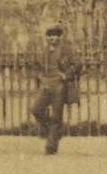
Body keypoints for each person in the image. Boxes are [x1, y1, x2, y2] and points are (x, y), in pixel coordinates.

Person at [30, 23, 80, 155]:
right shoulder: (44, 50)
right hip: (45, 84)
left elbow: (77, 64)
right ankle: (54, 132)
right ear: (47, 37)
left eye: (56, 36)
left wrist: (66, 75)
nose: (53, 39)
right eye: (51, 36)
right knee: (36, 110)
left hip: (59, 85)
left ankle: (50, 147)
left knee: (56, 116)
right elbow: (37, 65)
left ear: (60, 37)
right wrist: (39, 75)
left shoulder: (66, 50)